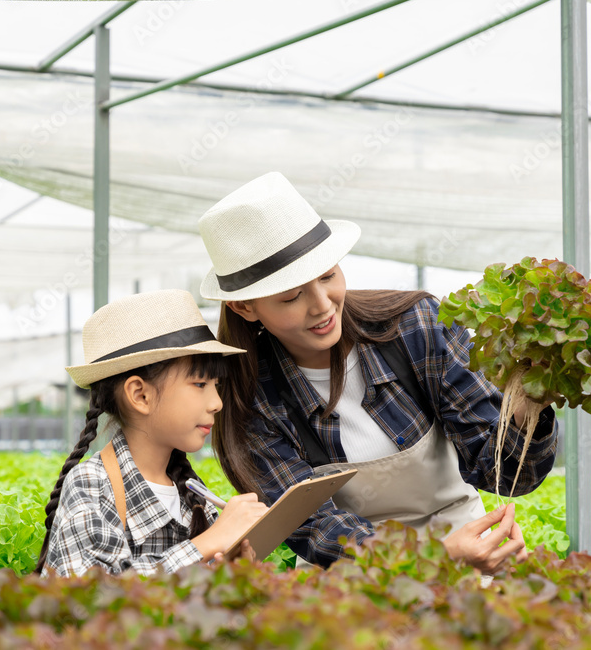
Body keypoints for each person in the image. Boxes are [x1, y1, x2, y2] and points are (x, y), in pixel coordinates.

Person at [198, 172, 559, 573]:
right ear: (245, 308)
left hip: (469, 553)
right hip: (356, 581)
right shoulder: (248, 397)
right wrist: (432, 558)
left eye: (328, 276)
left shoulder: (417, 327)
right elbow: (313, 528)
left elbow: (504, 474)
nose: (322, 305)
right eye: (291, 296)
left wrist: (527, 405)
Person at [35, 290, 268, 578]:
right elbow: (88, 595)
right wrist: (206, 544)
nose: (217, 403)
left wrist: (233, 567)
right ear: (140, 395)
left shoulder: (194, 493)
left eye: (215, 385)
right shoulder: (91, 484)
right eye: (199, 384)